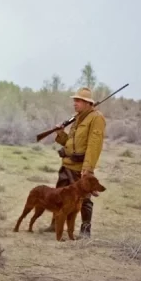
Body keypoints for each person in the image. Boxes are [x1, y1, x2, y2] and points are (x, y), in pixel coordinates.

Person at [45, 87, 106, 238]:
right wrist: (60, 133)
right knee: (58, 195)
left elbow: (94, 145)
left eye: (78, 101)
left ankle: (85, 231)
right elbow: (69, 143)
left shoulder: (96, 118)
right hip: (67, 165)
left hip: (80, 168)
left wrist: (88, 168)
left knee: (84, 199)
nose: (74, 103)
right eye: (74, 100)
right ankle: (55, 225)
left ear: (87, 103)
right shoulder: (77, 118)